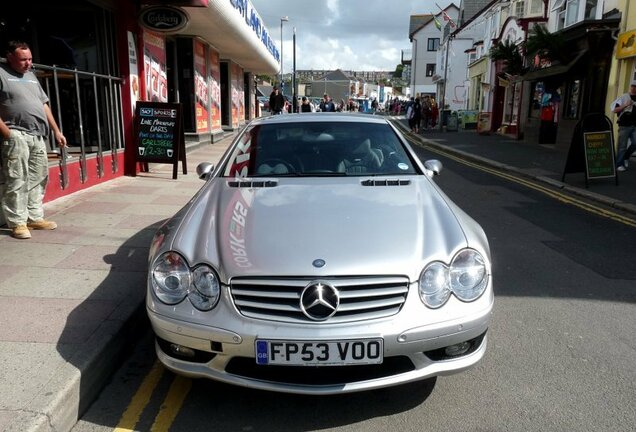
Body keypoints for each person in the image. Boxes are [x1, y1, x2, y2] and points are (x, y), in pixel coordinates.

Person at [1, 40, 67, 239]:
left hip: (38, 134)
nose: (28, 63)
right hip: (16, 133)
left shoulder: (30, 76)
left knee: (39, 177)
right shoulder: (2, 73)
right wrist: (8, 134)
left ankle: (34, 217)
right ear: (10, 57)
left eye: (30, 59)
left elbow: (44, 104)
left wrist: (57, 130)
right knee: (16, 179)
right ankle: (18, 223)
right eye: (23, 60)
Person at [611, 80, 636, 171]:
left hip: (635, 125)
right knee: (622, 146)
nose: (634, 88)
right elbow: (614, 110)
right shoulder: (624, 97)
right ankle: (619, 165)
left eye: (635, 87)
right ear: (630, 87)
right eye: (632, 86)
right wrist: (624, 105)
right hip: (624, 125)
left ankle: (626, 156)